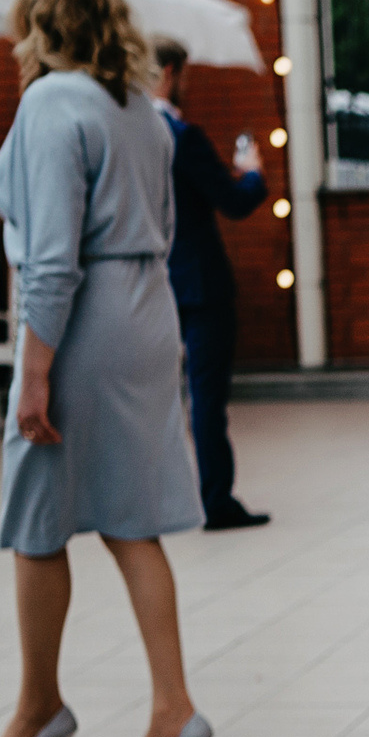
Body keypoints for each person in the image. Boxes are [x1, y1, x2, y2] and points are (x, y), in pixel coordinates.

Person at [0, 0, 212, 737]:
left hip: (84, 326)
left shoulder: (49, 103)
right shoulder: (141, 105)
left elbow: (52, 259)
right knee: (129, 519)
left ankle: (38, 708)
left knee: (38, 518)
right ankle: (172, 704)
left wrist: (33, 372)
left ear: (36, 14)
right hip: (146, 310)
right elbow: (164, 223)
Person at [149, 35, 272, 531]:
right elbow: (233, 201)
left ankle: (162, 500)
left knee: (157, 399)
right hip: (200, 285)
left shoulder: (133, 135)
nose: (187, 85)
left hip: (154, 283)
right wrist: (253, 174)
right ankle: (215, 500)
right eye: (185, 74)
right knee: (205, 398)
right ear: (168, 73)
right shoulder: (182, 137)